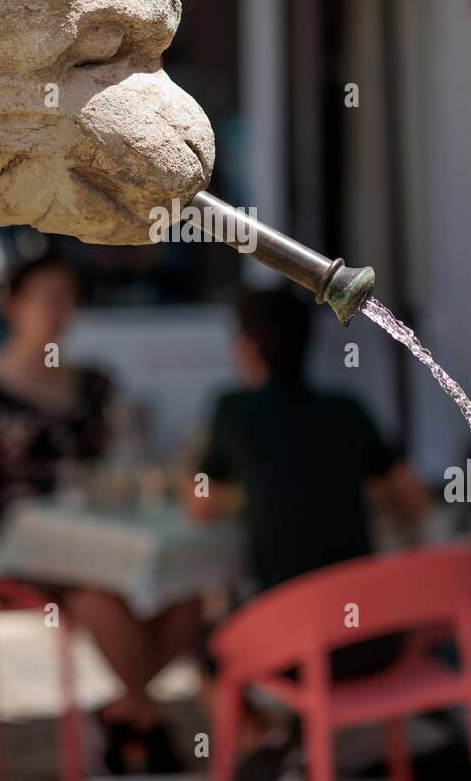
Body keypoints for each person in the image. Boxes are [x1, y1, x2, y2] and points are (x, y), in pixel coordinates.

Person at [0, 253, 200, 773]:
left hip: (106, 539)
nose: (61, 312)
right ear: (14, 305)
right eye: (48, 300)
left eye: (69, 300)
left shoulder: (95, 383)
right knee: (102, 603)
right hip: (30, 547)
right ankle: (142, 716)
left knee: (185, 598)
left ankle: (129, 710)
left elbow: (131, 458)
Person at [185, 287, 432, 708]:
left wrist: (248, 491)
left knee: (205, 643)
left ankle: (260, 744)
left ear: (246, 349)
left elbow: (200, 503)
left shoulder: (234, 410)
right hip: (375, 639)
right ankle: (289, 746)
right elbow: (415, 500)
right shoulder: (347, 410)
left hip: (295, 646)